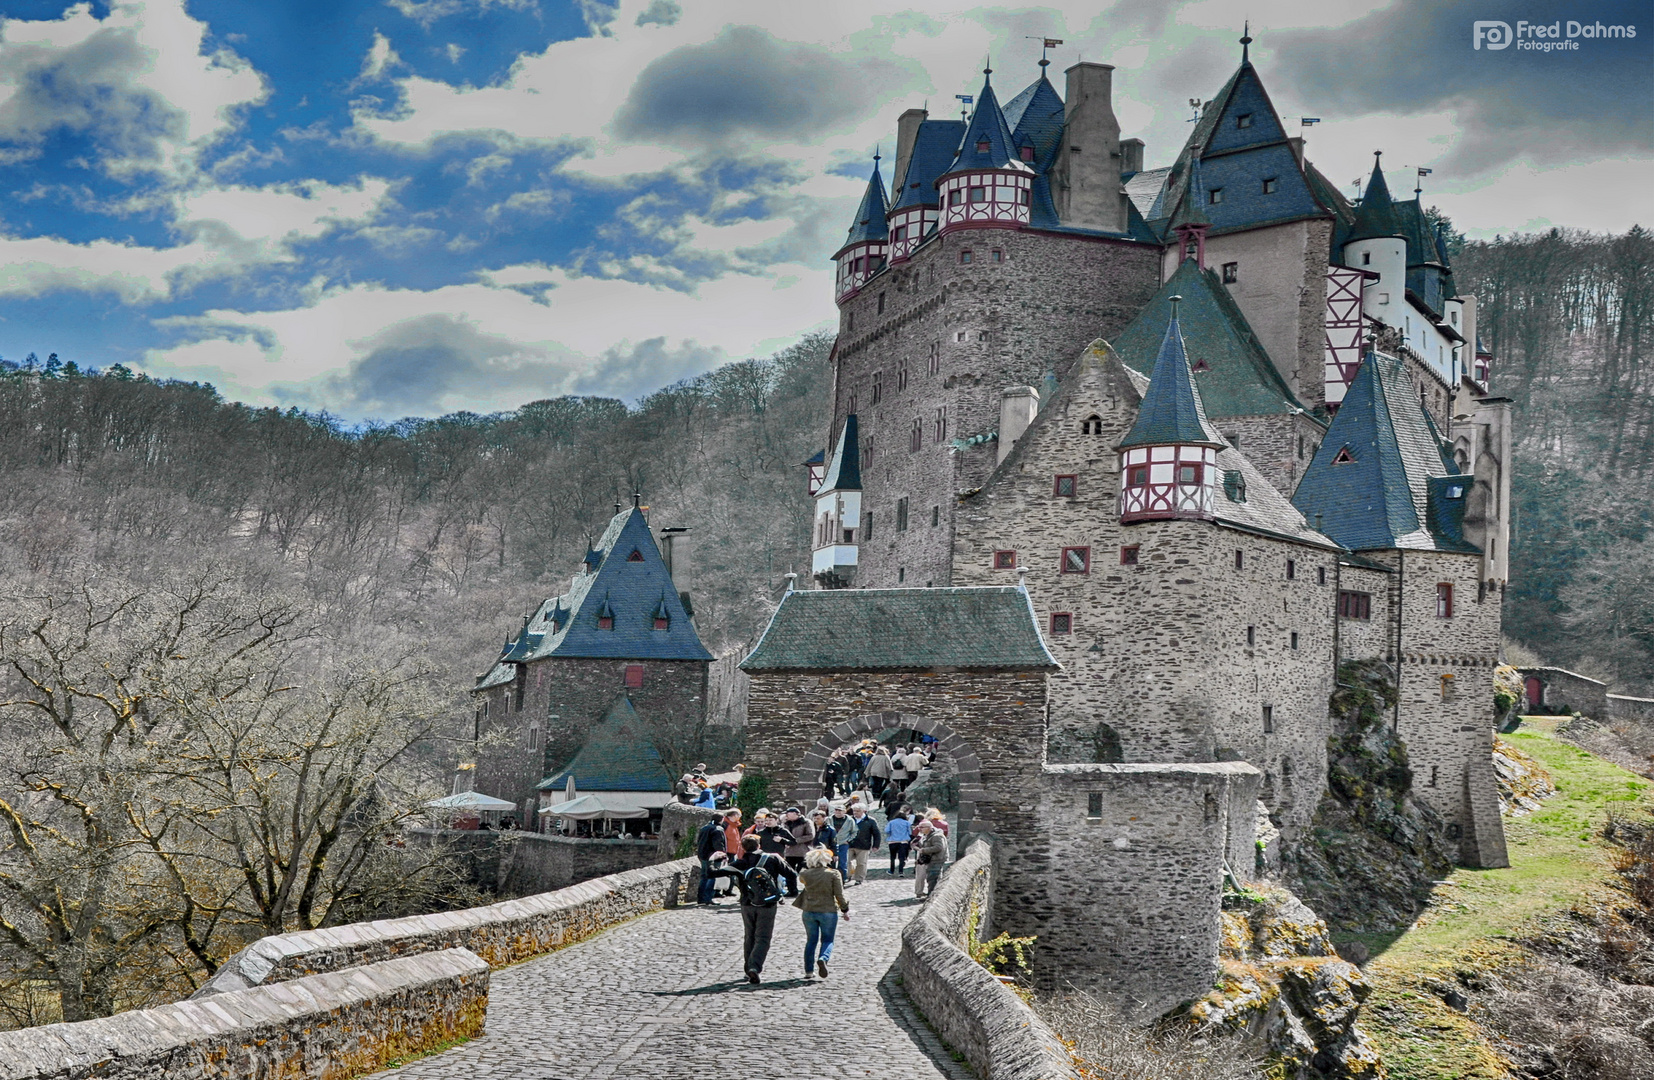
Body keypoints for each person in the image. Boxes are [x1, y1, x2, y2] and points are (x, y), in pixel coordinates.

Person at [707, 837, 797, 984]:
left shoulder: (740, 864)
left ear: (742, 848)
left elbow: (711, 873)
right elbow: (792, 875)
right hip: (768, 904)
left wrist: (713, 859)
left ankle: (748, 970)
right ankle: (754, 967)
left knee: (749, 936)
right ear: (759, 845)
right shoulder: (773, 858)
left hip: (747, 903)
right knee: (763, 938)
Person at [794, 847, 850, 979]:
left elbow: (803, 881)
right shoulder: (833, 874)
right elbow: (839, 895)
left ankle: (808, 971)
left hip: (808, 911)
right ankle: (823, 958)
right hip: (828, 910)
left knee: (811, 941)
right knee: (828, 940)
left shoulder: (805, 874)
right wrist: (845, 909)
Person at [843, 804, 880, 886]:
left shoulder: (870, 821)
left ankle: (859, 878)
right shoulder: (849, 820)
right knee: (846, 861)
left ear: (864, 811)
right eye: (854, 811)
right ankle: (847, 875)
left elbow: (876, 834)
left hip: (864, 845)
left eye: (857, 811)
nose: (855, 813)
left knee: (861, 863)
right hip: (849, 845)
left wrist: (876, 845)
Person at [694, 813, 726, 905]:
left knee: (704, 876)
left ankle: (701, 898)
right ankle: (708, 898)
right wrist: (722, 854)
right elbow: (719, 844)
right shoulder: (718, 829)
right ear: (722, 819)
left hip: (703, 855)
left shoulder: (704, 827)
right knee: (712, 877)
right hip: (713, 856)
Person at [912, 818, 948, 899]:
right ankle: (930, 895)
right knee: (931, 878)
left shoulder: (936, 836)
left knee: (933, 878)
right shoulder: (927, 835)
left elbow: (938, 847)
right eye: (919, 827)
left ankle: (932, 896)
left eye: (921, 828)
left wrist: (924, 850)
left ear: (929, 828)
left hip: (936, 860)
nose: (919, 829)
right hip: (930, 860)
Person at [780, 807, 816, 884]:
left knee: (804, 872)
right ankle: (792, 890)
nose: (786, 815)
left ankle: (808, 889)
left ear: (795, 814)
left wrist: (795, 841)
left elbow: (811, 835)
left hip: (803, 852)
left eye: (788, 813)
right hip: (789, 852)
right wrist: (784, 842)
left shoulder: (806, 822)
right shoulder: (785, 823)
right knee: (789, 872)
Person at [827, 803, 854, 881]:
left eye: (840, 810)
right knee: (829, 861)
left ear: (844, 811)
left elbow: (855, 832)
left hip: (843, 843)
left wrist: (849, 840)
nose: (838, 812)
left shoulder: (850, 820)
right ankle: (830, 878)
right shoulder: (828, 819)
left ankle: (843, 878)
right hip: (831, 844)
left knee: (842, 862)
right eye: (836, 810)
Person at [883, 808, 912, 877]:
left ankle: (891, 870)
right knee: (901, 857)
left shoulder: (891, 822)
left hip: (892, 841)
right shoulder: (907, 823)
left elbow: (887, 831)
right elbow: (910, 832)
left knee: (892, 857)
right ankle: (900, 872)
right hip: (903, 842)